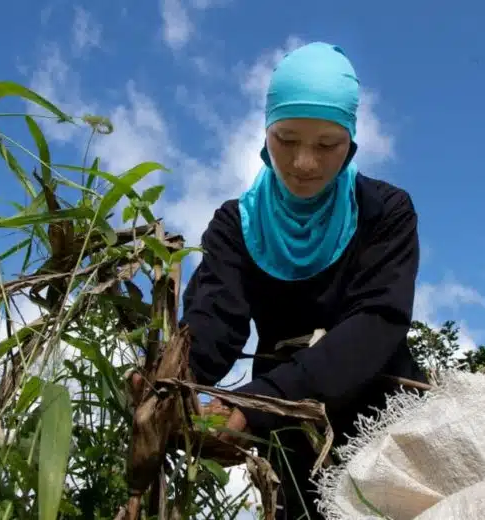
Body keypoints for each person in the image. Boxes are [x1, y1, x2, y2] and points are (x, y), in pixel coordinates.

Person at [182, 41, 424, 519]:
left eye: (326, 145)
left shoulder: (385, 214)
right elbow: (216, 320)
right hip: (291, 442)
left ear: (351, 143)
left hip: (383, 419)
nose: (303, 164)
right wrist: (175, 383)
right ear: (265, 133)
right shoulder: (237, 226)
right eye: (287, 140)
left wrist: (258, 404)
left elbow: (375, 325)